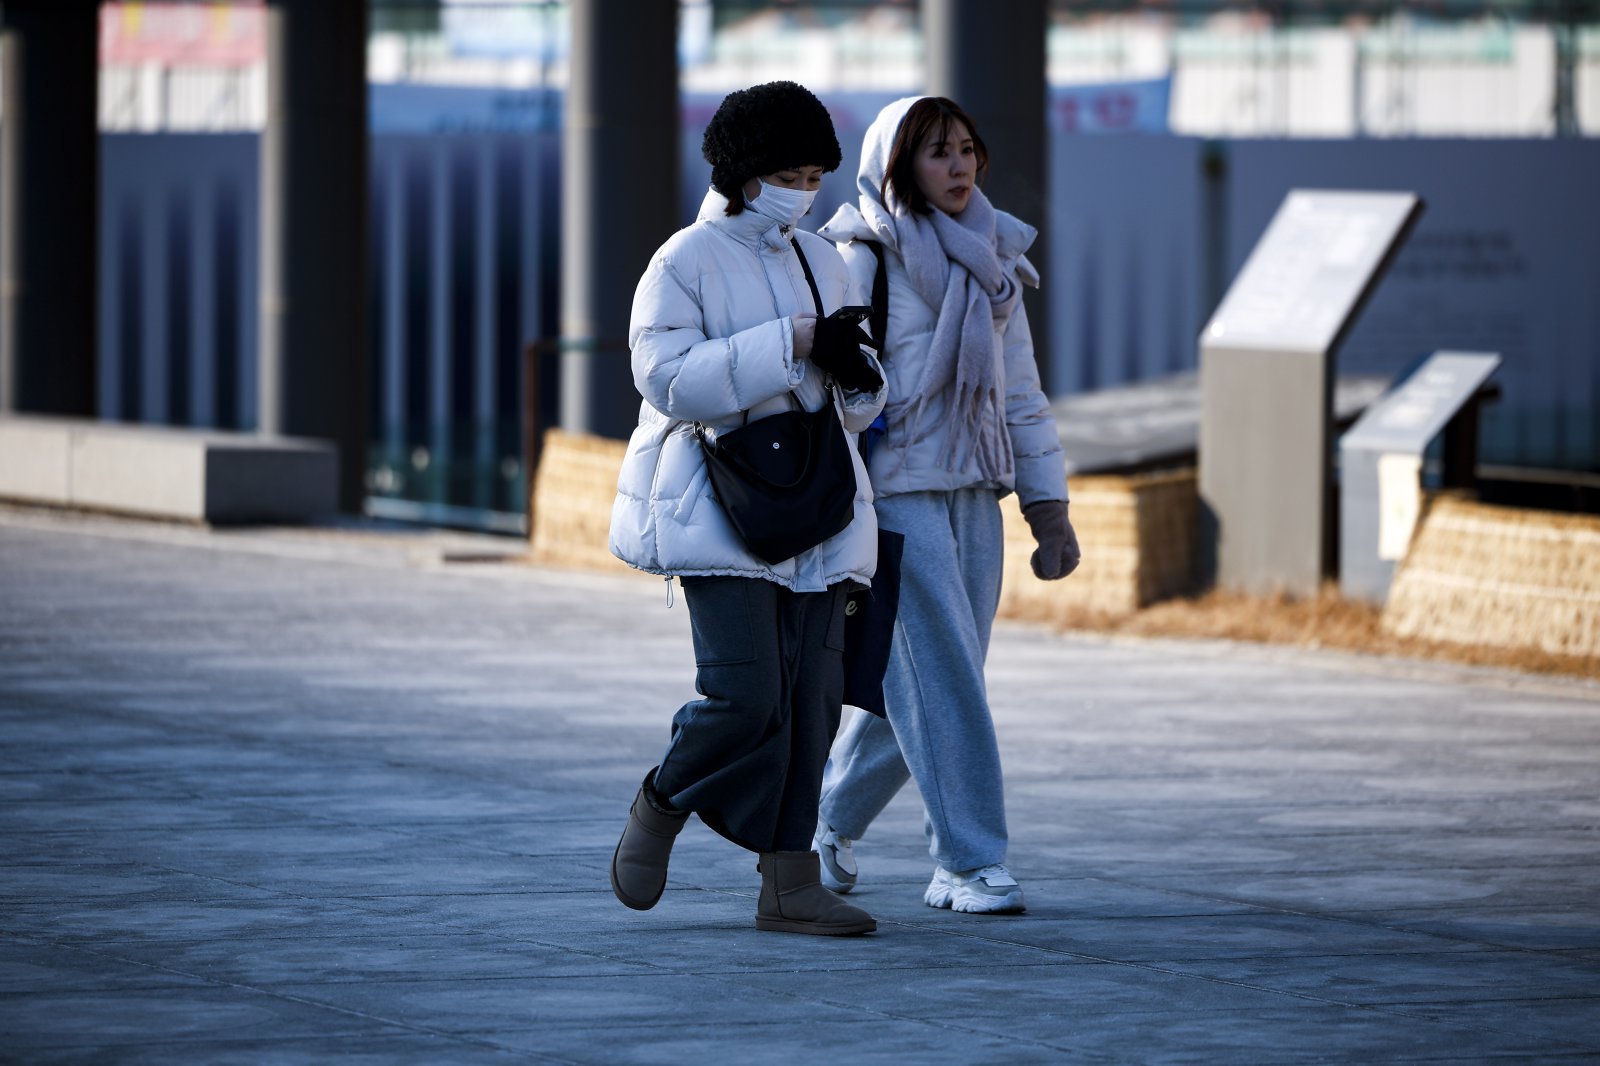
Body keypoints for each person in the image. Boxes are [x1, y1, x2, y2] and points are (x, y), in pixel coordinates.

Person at [607, 81, 888, 936]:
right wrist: (791, 344)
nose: (804, 190)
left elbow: (858, 405)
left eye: (815, 173)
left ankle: (789, 884)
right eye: (788, 172)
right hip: (719, 506)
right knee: (745, 696)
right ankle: (660, 803)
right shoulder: (683, 259)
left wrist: (854, 370)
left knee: (812, 700)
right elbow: (665, 378)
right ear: (742, 171)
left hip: (817, 504)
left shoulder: (825, 259)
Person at [813, 96, 1080, 915]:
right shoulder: (858, 255)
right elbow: (827, 387)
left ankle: (823, 822)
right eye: (937, 153)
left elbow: (1022, 394)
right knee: (945, 679)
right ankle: (969, 859)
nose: (960, 166)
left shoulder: (996, 256)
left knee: (930, 686)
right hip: (894, 495)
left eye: (968, 148)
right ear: (896, 167)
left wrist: (1048, 505)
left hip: (976, 491)